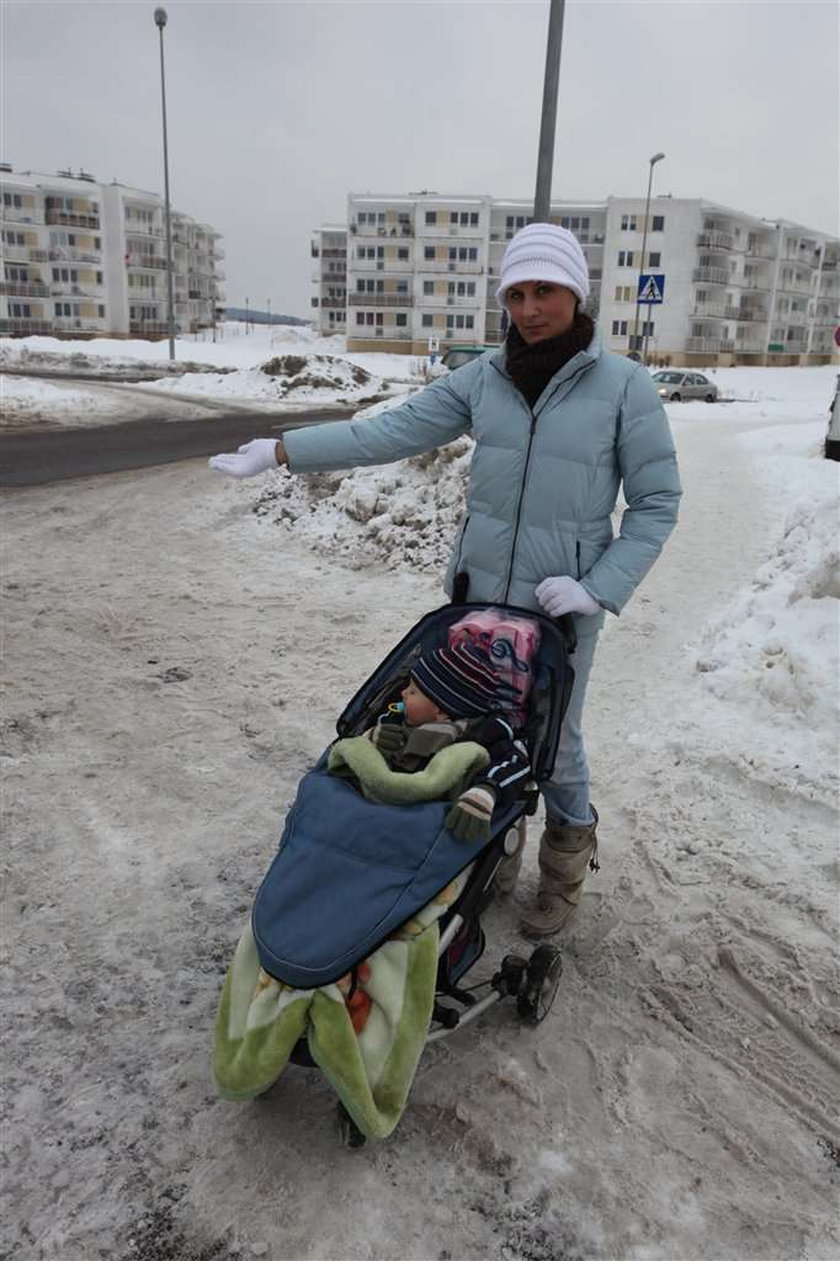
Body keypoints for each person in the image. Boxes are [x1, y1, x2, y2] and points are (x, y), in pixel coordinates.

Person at [209, 222, 682, 937]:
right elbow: (385, 432)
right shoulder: (483, 380)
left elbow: (657, 502)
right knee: (470, 730)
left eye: (544, 291)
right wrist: (283, 450)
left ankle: (564, 863)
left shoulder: (624, 387)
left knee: (557, 748)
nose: (529, 308)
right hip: (481, 598)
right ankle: (493, 845)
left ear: (576, 294)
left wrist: (598, 586)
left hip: (564, 610)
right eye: (516, 293)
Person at [339, 639, 532, 844]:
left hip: (440, 825)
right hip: (384, 813)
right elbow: (366, 744)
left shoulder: (484, 733)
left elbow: (516, 763)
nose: (402, 694)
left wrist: (487, 788)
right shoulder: (396, 719)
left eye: (412, 691)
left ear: (440, 711)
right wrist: (373, 739)